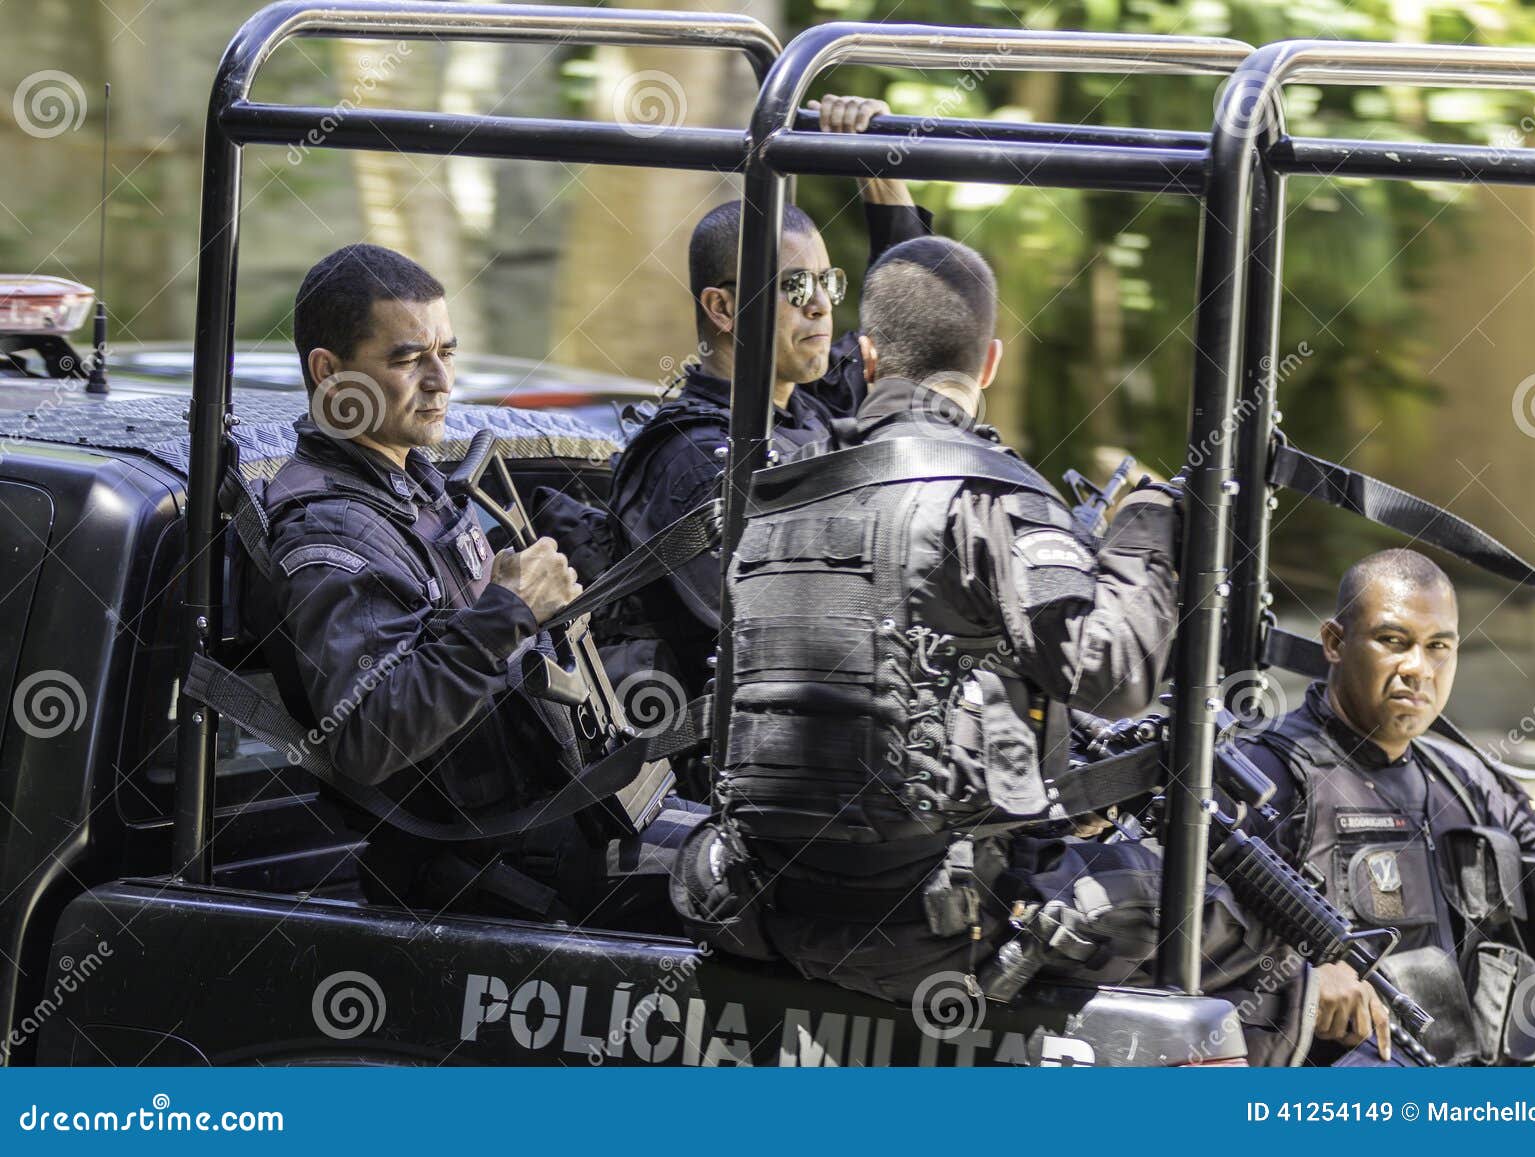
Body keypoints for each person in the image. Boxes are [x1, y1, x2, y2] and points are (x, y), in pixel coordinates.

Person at [671, 235, 1269, 1007]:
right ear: (990, 363)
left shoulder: (776, 492)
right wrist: (1147, 527)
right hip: (934, 934)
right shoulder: (992, 497)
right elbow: (1114, 672)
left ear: (869, 356)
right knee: (1246, 922)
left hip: (766, 909)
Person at [244, 243, 696, 932]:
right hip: (489, 880)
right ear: (329, 372)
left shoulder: (408, 482)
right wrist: (510, 608)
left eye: (446, 353)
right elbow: (368, 731)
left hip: (555, 823)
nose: (439, 380)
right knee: (745, 893)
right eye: (407, 358)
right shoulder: (330, 529)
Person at [600, 94, 934, 699]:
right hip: (735, 757)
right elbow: (782, 625)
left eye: (829, 283)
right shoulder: (692, 457)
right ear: (723, 308)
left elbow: (913, 330)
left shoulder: (812, 401)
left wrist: (880, 173)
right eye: (796, 286)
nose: (822, 305)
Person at [1236, 548, 1535, 1065]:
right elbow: (1197, 928)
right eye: (1393, 641)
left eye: (1438, 647)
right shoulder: (1268, 772)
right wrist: (1301, 976)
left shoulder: (1463, 776)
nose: (1418, 668)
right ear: (1335, 642)